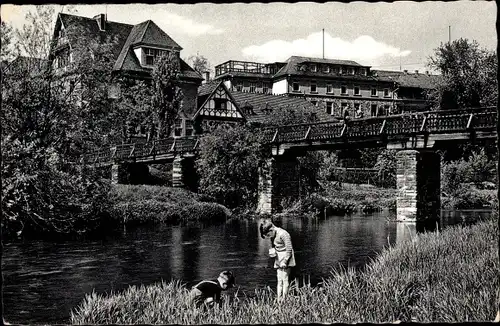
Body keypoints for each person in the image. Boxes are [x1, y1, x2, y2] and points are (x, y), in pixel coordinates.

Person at [259, 218, 296, 301]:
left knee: (285, 278)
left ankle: (285, 298)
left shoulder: (284, 234)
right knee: (279, 279)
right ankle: (279, 298)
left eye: (268, 235)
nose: (269, 237)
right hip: (278, 258)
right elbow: (274, 245)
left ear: (271, 229)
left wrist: (285, 261)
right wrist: (272, 252)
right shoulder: (273, 235)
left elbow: (289, 249)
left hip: (286, 257)